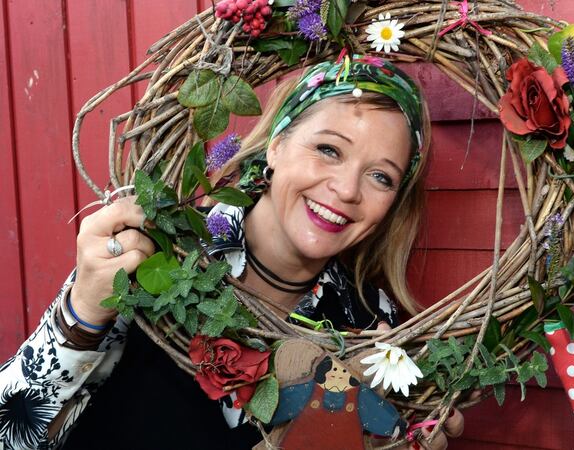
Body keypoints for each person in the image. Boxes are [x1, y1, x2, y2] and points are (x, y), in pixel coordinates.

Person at [0, 55, 465, 449]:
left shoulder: (373, 329)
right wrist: (82, 312)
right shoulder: (160, 255)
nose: (345, 190)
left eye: (380, 176)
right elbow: (10, 432)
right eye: (328, 149)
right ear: (277, 146)